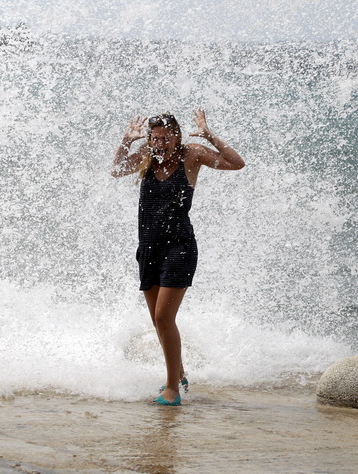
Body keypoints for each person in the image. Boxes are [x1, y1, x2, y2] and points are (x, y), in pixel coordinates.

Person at [112, 110, 245, 406]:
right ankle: (180, 374)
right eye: (155, 137)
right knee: (158, 321)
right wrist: (126, 141)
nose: (160, 142)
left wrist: (208, 134)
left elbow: (236, 163)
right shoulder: (146, 155)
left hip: (179, 247)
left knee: (163, 317)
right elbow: (117, 169)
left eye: (165, 136)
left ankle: (172, 388)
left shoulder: (192, 155)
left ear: (177, 135)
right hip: (148, 248)